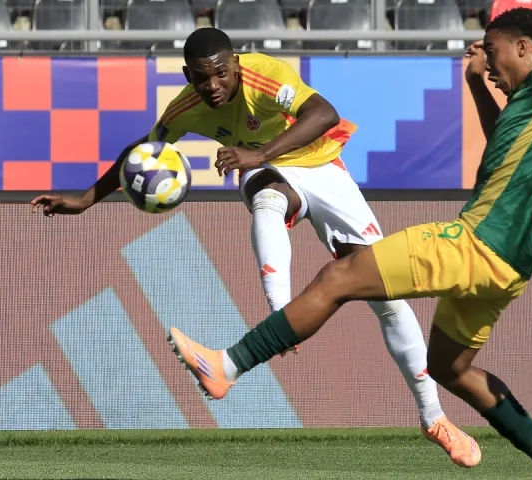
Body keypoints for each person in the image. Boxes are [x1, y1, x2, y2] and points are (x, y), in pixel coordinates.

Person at [166, 9, 532, 480]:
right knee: (450, 368)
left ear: (523, 47)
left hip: (473, 242)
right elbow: (502, 142)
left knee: (339, 277)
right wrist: (476, 84)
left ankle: (227, 366)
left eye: (490, 52)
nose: (487, 63)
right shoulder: (530, 105)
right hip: (510, 267)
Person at [29, 27, 475, 465]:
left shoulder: (265, 76)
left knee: (390, 301)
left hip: (321, 168)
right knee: (267, 197)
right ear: (188, 75)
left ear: (235, 64)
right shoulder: (185, 108)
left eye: (221, 74)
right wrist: (87, 199)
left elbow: (324, 114)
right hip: (266, 172)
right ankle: (282, 311)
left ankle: (433, 417)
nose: (213, 85)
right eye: (202, 77)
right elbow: (145, 150)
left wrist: (258, 154)